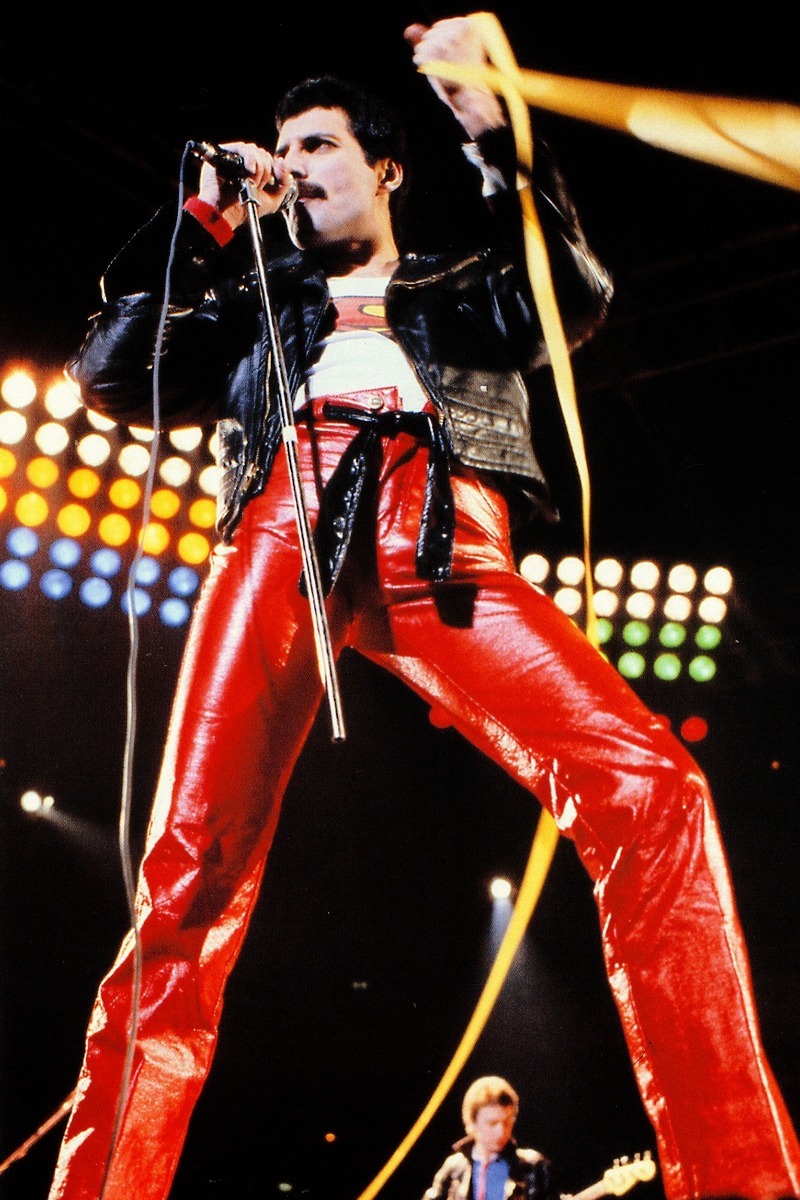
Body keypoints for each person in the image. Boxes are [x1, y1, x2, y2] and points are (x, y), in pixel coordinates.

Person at [47, 15, 800, 1200]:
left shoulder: (462, 280)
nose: (294, 165)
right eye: (282, 149)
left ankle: (739, 1182)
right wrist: (200, 225)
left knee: (653, 791)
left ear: (384, 164)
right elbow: (109, 373)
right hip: (280, 533)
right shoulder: (255, 300)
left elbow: (574, 295)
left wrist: (503, 145)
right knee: (188, 870)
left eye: (320, 144)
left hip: (439, 538)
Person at [423, 1077, 560, 1200]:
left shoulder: (533, 1167)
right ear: (471, 1124)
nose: (501, 1132)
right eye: (492, 1124)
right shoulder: (454, 1169)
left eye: (507, 1122)